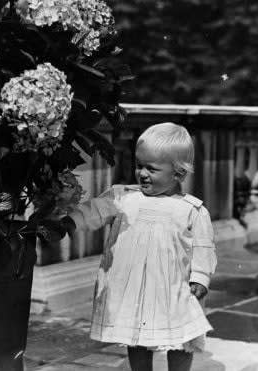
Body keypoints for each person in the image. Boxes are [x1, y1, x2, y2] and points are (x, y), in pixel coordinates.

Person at [60, 122, 217, 371]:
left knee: (180, 338)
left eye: (152, 169)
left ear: (178, 174)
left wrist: (200, 277)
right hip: (133, 288)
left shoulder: (191, 210)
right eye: (139, 165)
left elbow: (204, 248)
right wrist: (67, 221)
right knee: (136, 336)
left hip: (173, 288)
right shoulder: (123, 197)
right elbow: (93, 212)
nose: (142, 173)